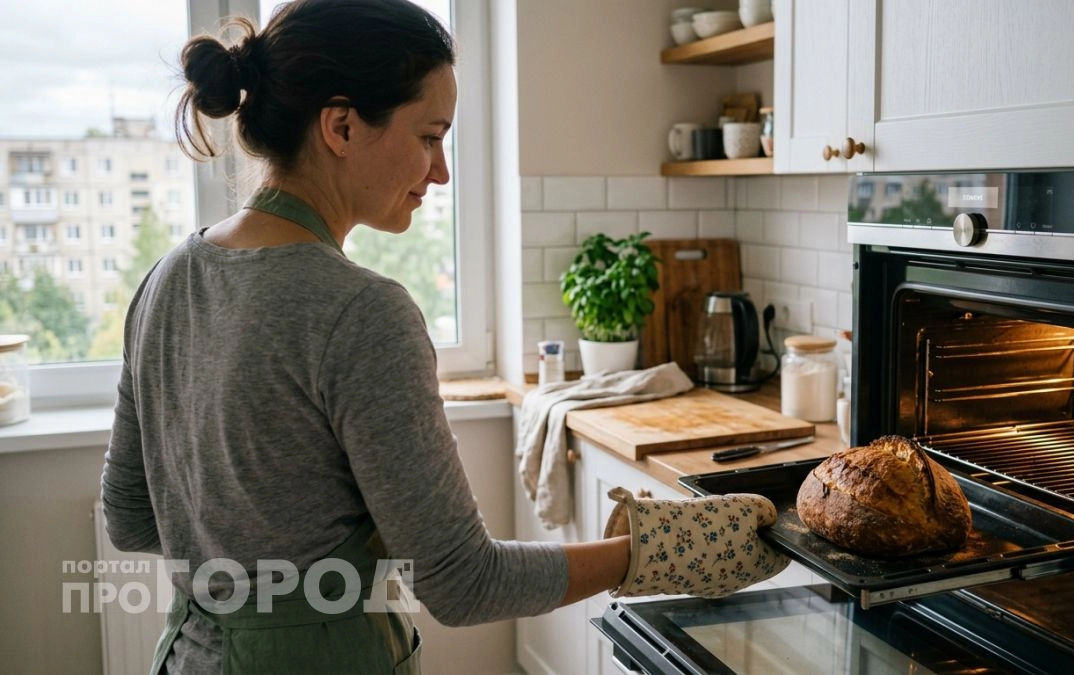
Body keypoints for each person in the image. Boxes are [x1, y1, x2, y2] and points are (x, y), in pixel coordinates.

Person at [100, 1, 785, 673]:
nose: (441, 170)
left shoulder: (167, 278)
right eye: (430, 136)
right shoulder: (361, 311)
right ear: (341, 126)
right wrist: (662, 550)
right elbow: (464, 582)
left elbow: (129, 518)